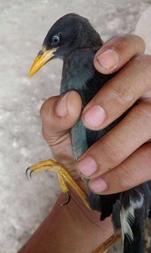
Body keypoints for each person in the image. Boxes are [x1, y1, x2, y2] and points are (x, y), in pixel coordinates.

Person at [18, 33, 151, 253]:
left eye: (54, 42)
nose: (45, 53)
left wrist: (78, 193)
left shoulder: (90, 62)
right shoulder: (81, 68)